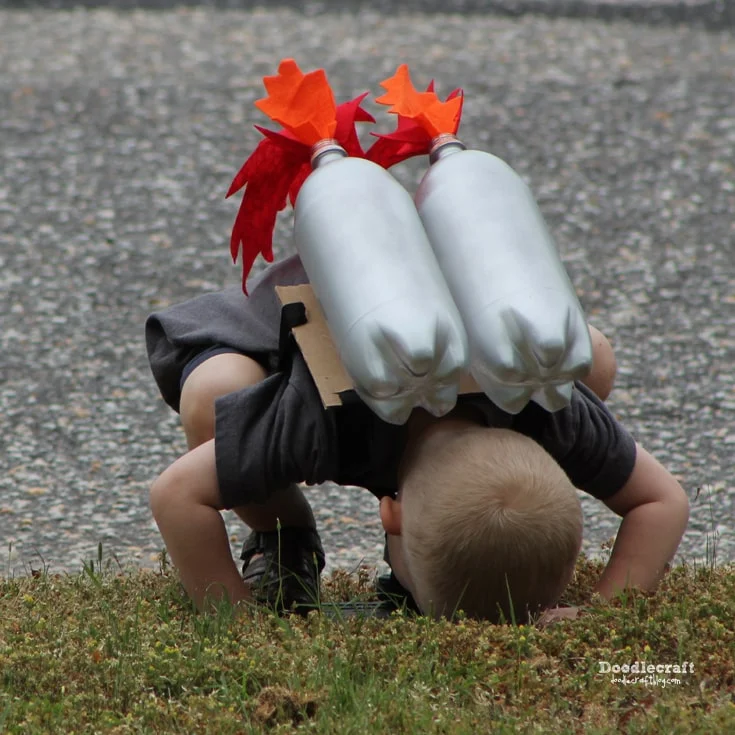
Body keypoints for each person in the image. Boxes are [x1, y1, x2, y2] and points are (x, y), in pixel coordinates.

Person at [146, 255, 689, 623]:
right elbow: (176, 494)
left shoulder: (550, 407)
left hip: (441, 307)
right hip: (299, 308)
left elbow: (663, 502)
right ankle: (282, 531)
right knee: (217, 397)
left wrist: (599, 611)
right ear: (392, 515)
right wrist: (241, 628)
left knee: (586, 358)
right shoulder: (318, 418)